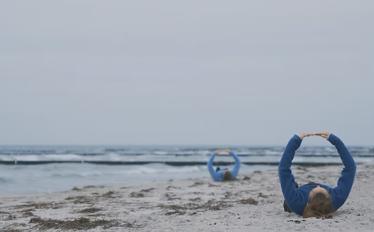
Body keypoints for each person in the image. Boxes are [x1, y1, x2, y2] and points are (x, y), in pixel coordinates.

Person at [279, 131, 356, 218]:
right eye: (322, 188)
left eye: (313, 190)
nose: (317, 186)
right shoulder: (336, 199)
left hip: (293, 202)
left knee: (289, 199)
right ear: (329, 198)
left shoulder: (297, 202)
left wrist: (296, 140)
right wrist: (335, 141)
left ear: (308, 201)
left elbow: (284, 170)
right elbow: (350, 168)